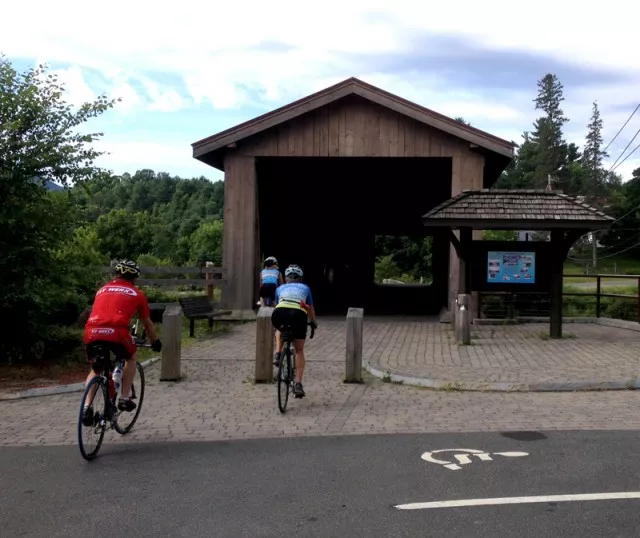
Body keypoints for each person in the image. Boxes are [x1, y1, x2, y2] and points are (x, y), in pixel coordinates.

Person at [82, 260, 162, 426]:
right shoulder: (137, 294)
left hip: (92, 330)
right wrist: (155, 342)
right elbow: (147, 323)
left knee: (96, 369)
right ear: (134, 278)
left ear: (116, 275)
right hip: (116, 331)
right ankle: (124, 398)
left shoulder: (101, 290)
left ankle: (86, 407)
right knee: (130, 357)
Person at [271, 264, 317, 398]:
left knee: (280, 327)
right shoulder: (305, 288)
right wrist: (313, 322)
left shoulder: (280, 288)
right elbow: (309, 308)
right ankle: (298, 384)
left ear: (286, 279)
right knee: (299, 350)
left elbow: (277, 304)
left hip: (279, 312)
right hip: (298, 315)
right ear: (300, 279)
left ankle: (278, 353)